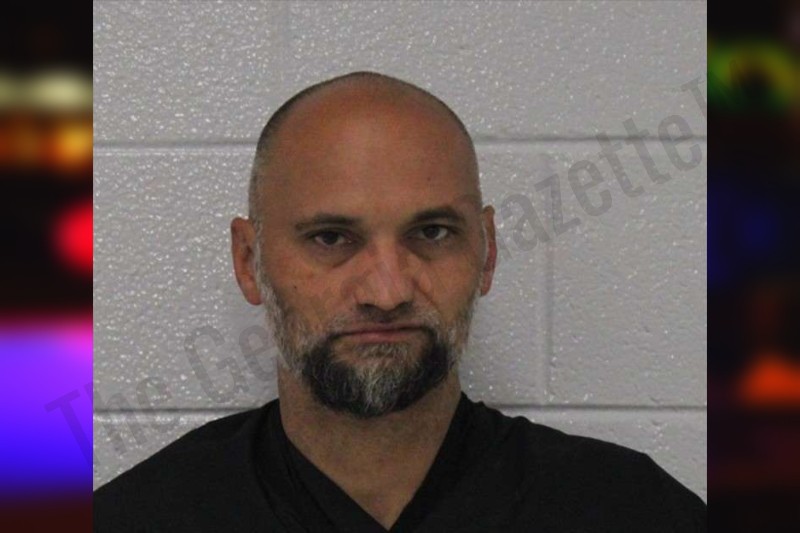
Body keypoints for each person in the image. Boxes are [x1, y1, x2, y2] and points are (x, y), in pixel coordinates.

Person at [93, 71, 706, 532]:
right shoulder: (144, 518)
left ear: (487, 252)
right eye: (330, 238)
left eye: (431, 233)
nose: (386, 292)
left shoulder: (630, 512)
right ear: (248, 261)